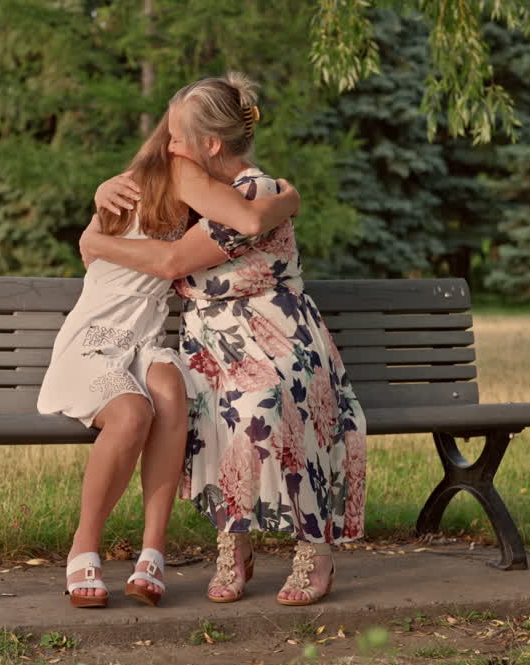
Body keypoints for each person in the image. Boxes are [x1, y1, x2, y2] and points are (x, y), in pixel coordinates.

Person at [83, 73, 366, 607]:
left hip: (277, 337)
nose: (168, 148)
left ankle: (315, 546)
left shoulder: (257, 192)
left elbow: (171, 261)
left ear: (211, 145)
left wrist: (95, 243)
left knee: (260, 399)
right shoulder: (200, 191)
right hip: (212, 342)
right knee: (197, 401)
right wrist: (102, 195)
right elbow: (136, 188)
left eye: (177, 138)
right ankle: (233, 541)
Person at [38, 109, 301, 608]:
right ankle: (83, 544)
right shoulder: (155, 181)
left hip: (147, 342)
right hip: (97, 339)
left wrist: (284, 198)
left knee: (170, 389)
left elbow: (240, 219)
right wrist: (289, 199)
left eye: (187, 137)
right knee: (134, 413)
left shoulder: (194, 190)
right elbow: (96, 253)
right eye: (174, 136)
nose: (178, 145)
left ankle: (151, 552)